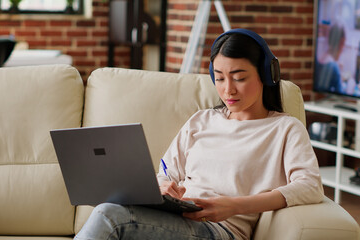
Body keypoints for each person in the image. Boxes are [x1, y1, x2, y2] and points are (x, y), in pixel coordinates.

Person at [74, 29, 324, 240]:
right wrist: (165, 188)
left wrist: (234, 206)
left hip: (221, 230)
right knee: (112, 208)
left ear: (266, 75)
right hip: (178, 217)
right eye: (219, 78)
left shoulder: (285, 128)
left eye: (239, 78)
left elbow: (310, 186)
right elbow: (166, 173)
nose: (228, 89)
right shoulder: (202, 120)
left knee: (109, 215)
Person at [315, 22, 346, 93]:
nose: (343, 48)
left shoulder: (322, 57)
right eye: (344, 44)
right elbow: (340, 95)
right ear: (341, 42)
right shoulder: (334, 67)